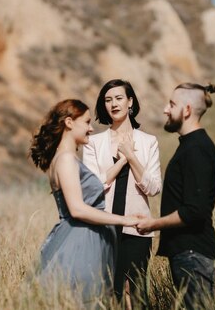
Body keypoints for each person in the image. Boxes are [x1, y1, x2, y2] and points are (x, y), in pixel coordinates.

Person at [29, 99, 141, 307]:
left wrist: (124, 160)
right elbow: (78, 209)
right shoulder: (65, 160)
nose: (91, 128)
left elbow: (98, 184)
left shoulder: (67, 159)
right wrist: (125, 220)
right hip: (79, 241)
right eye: (87, 122)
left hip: (82, 238)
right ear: (69, 122)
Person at [137, 83, 215, 309]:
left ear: (186, 110)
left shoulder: (197, 149)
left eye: (172, 104)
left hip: (193, 254)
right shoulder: (190, 146)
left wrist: (152, 224)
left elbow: (194, 211)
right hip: (188, 254)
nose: (165, 109)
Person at [82, 79, 162, 308]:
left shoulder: (148, 142)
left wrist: (132, 156)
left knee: (135, 292)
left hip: (137, 227)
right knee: (108, 292)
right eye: (108, 100)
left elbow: (154, 187)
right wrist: (122, 161)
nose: (113, 104)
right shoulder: (93, 143)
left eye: (118, 98)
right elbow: (92, 185)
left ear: (130, 102)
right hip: (103, 228)